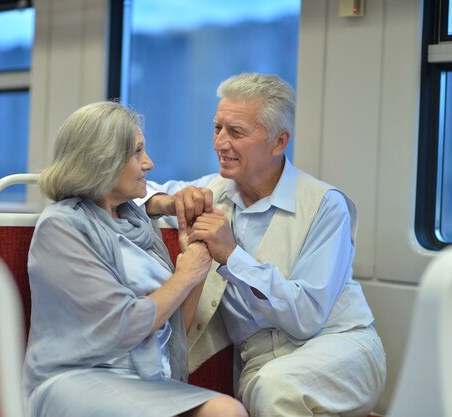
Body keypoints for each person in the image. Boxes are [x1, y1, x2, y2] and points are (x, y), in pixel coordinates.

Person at [142, 73, 387, 417]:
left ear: (279, 141)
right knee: (269, 385)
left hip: (337, 346)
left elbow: (305, 319)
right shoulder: (213, 191)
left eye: (236, 132)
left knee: (275, 390)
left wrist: (231, 256)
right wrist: (170, 202)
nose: (219, 143)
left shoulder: (325, 204)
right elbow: (140, 191)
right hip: (259, 361)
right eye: (217, 128)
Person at [22, 101, 248, 417]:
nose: (149, 163)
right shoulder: (60, 226)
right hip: (76, 378)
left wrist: (197, 258)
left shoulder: (136, 221)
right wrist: (184, 275)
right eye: (137, 152)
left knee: (227, 411)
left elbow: (171, 330)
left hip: (143, 379)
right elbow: (124, 324)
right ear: (102, 161)